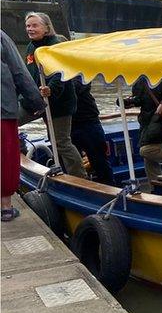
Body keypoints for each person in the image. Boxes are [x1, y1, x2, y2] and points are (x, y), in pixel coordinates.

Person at [23, 12, 85, 177]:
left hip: (59, 102)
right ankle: (17, 154)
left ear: (46, 28)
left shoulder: (55, 46)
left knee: (62, 142)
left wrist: (51, 90)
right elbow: (28, 73)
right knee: (13, 119)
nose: (30, 29)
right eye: (28, 26)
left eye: (35, 25)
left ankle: (80, 177)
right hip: (38, 99)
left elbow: (60, 74)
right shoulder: (31, 47)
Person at [2, 30, 45, 221]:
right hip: (2, 109)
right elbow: (19, 71)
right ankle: (5, 207)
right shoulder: (2, 37)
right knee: (6, 156)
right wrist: (36, 102)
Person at [127, 78, 162, 191]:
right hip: (149, 123)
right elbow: (140, 98)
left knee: (146, 151)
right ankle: (156, 188)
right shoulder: (141, 80)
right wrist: (130, 101)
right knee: (148, 157)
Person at [70, 79, 113, 184]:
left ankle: (110, 189)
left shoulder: (81, 72)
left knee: (99, 161)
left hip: (89, 121)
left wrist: (55, 89)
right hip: (69, 123)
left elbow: (79, 86)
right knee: (71, 162)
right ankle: (78, 187)